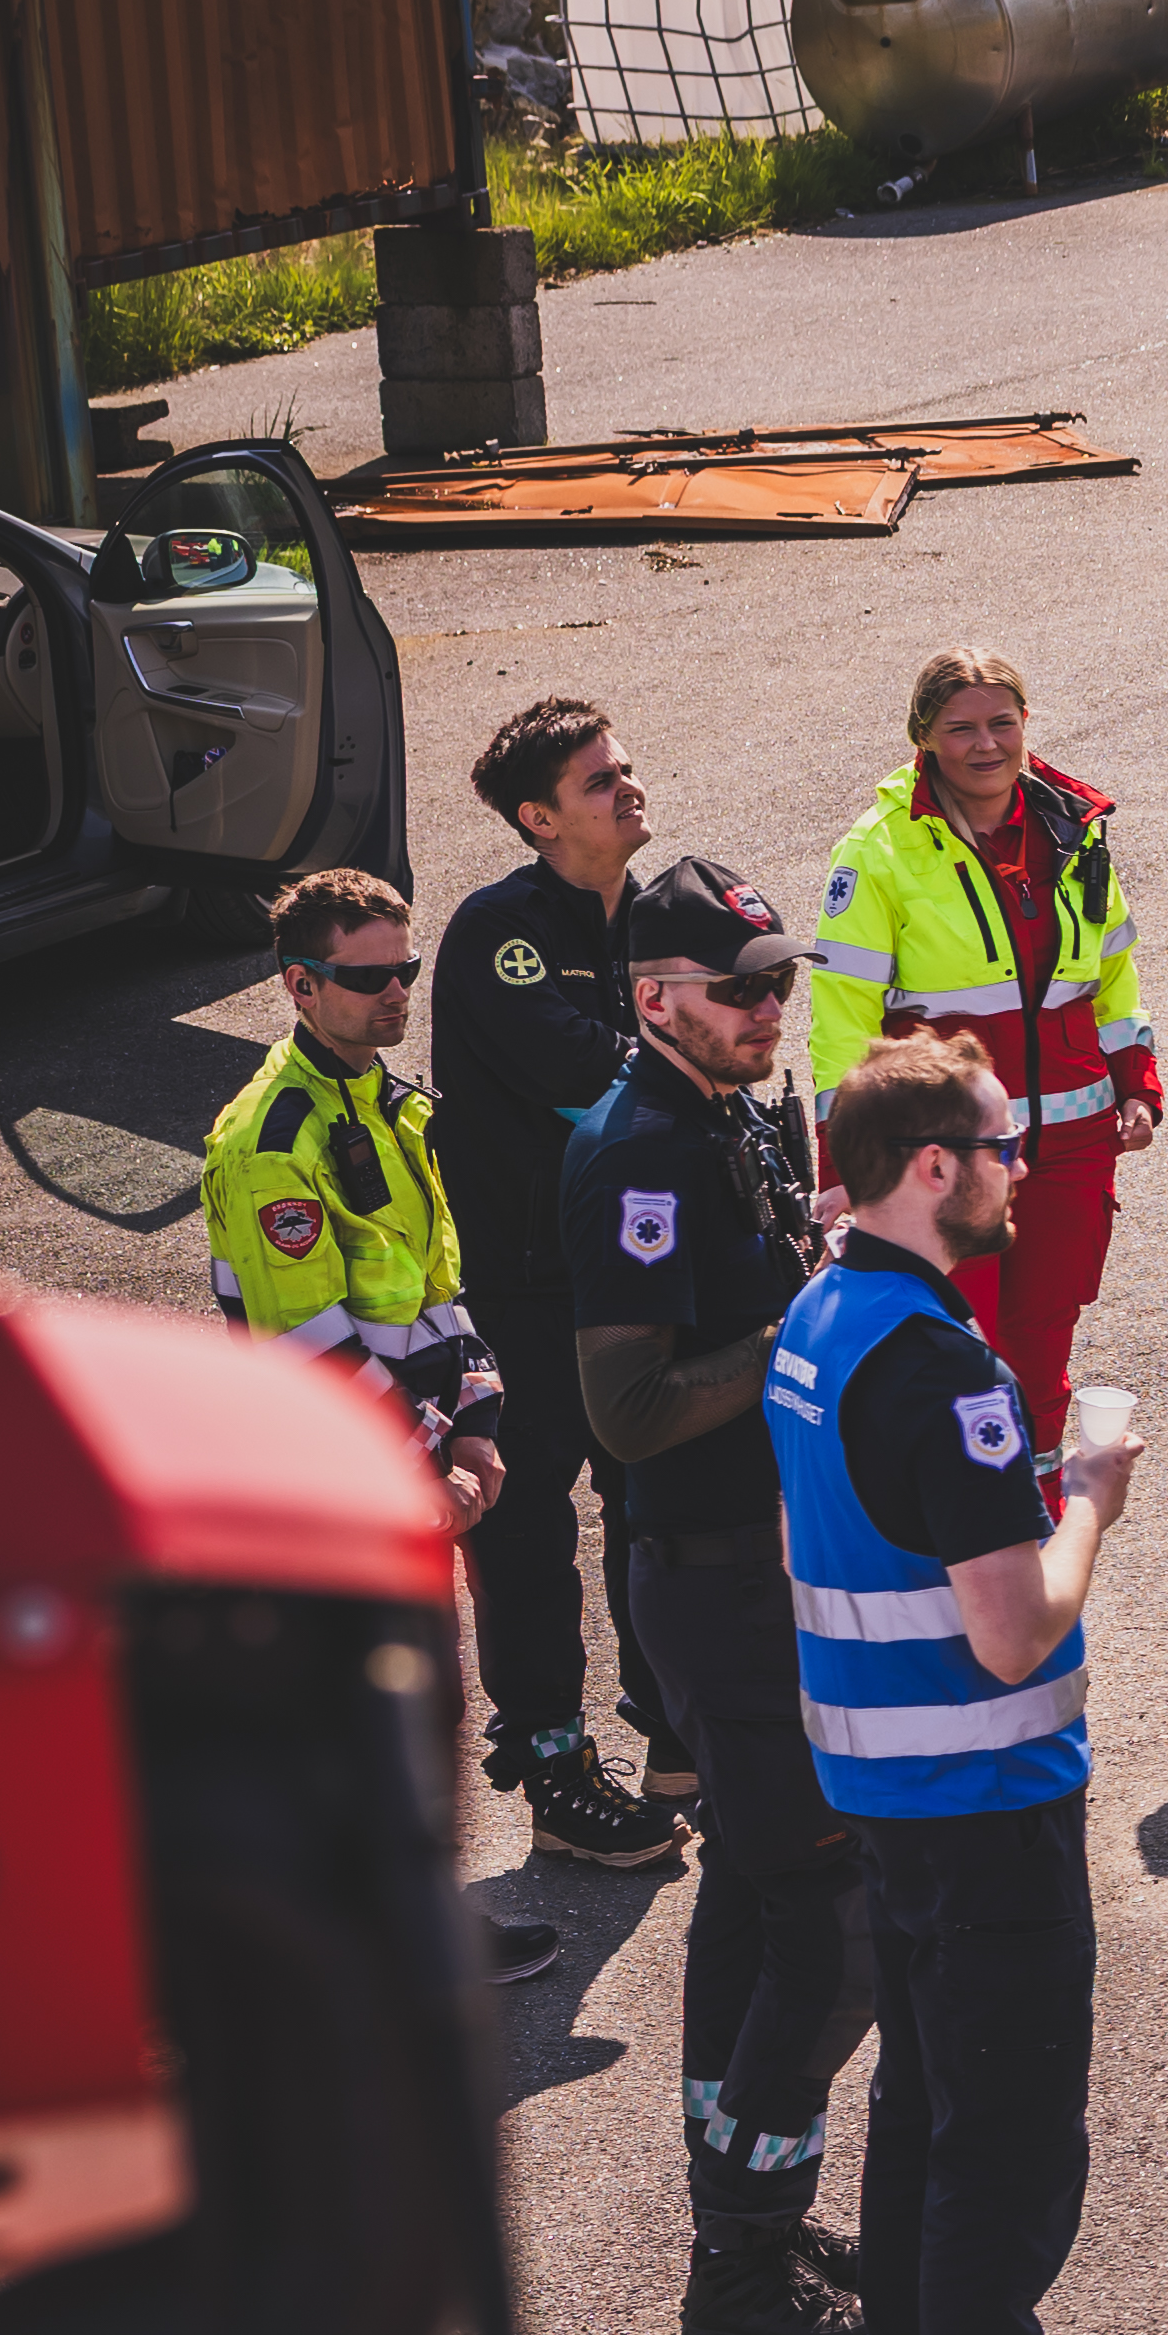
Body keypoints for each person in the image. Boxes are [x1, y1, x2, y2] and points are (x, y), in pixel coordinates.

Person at [772, 1035, 1168, 2335]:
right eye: (999, 1149)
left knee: (920, 2125)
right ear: (932, 1170)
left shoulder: (822, 1315)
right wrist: (1089, 1494)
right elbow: (1013, 1626)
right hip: (982, 1802)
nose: (1020, 1169)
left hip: (886, 1795)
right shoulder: (937, 1366)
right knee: (1003, 2159)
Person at [564, 856, 874, 2335]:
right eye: (742, 988)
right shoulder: (639, 1151)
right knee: (836, 1928)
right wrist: (802, 1333)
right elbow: (626, 1409)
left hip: (766, 1577)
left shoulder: (724, 1113)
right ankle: (739, 2267)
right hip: (717, 1589)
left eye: (779, 983)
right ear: (656, 999)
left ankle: (751, 2201)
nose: (771, 1009)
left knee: (759, 1904)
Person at [205, 865, 546, 1982]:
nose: (398, 991)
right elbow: (306, 1348)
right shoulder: (273, 1138)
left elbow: (434, 1288)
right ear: (301, 986)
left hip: (408, 1456)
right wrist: (419, 1469)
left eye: (404, 968)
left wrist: (478, 1419)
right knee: (377, 1711)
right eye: (370, 978)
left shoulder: (380, 1100)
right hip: (342, 1476)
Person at [431, 696, 682, 1869]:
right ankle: (550, 1762)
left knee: (656, 1505)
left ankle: (676, 1730)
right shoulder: (500, 932)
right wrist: (687, 1058)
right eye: (599, 782)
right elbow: (605, 1083)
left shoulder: (657, 913)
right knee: (530, 1532)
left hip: (641, 1271)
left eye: (625, 769)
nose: (627, 789)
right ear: (539, 818)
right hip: (529, 1288)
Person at [812, 649, 1159, 1444]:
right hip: (946, 1149)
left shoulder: (1076, 830)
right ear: (923, 738)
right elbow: (842, 1023)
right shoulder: (876, 853)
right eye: (960, 728)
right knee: (958, 1340)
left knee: (1044, 1339)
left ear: (1027, 725)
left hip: (1072, 1140)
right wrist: (843, 1170)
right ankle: (958, 1528)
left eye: (1003, 723)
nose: (986, 744)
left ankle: (1036, 1514)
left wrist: (1136, 1079)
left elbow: (1112, 972)